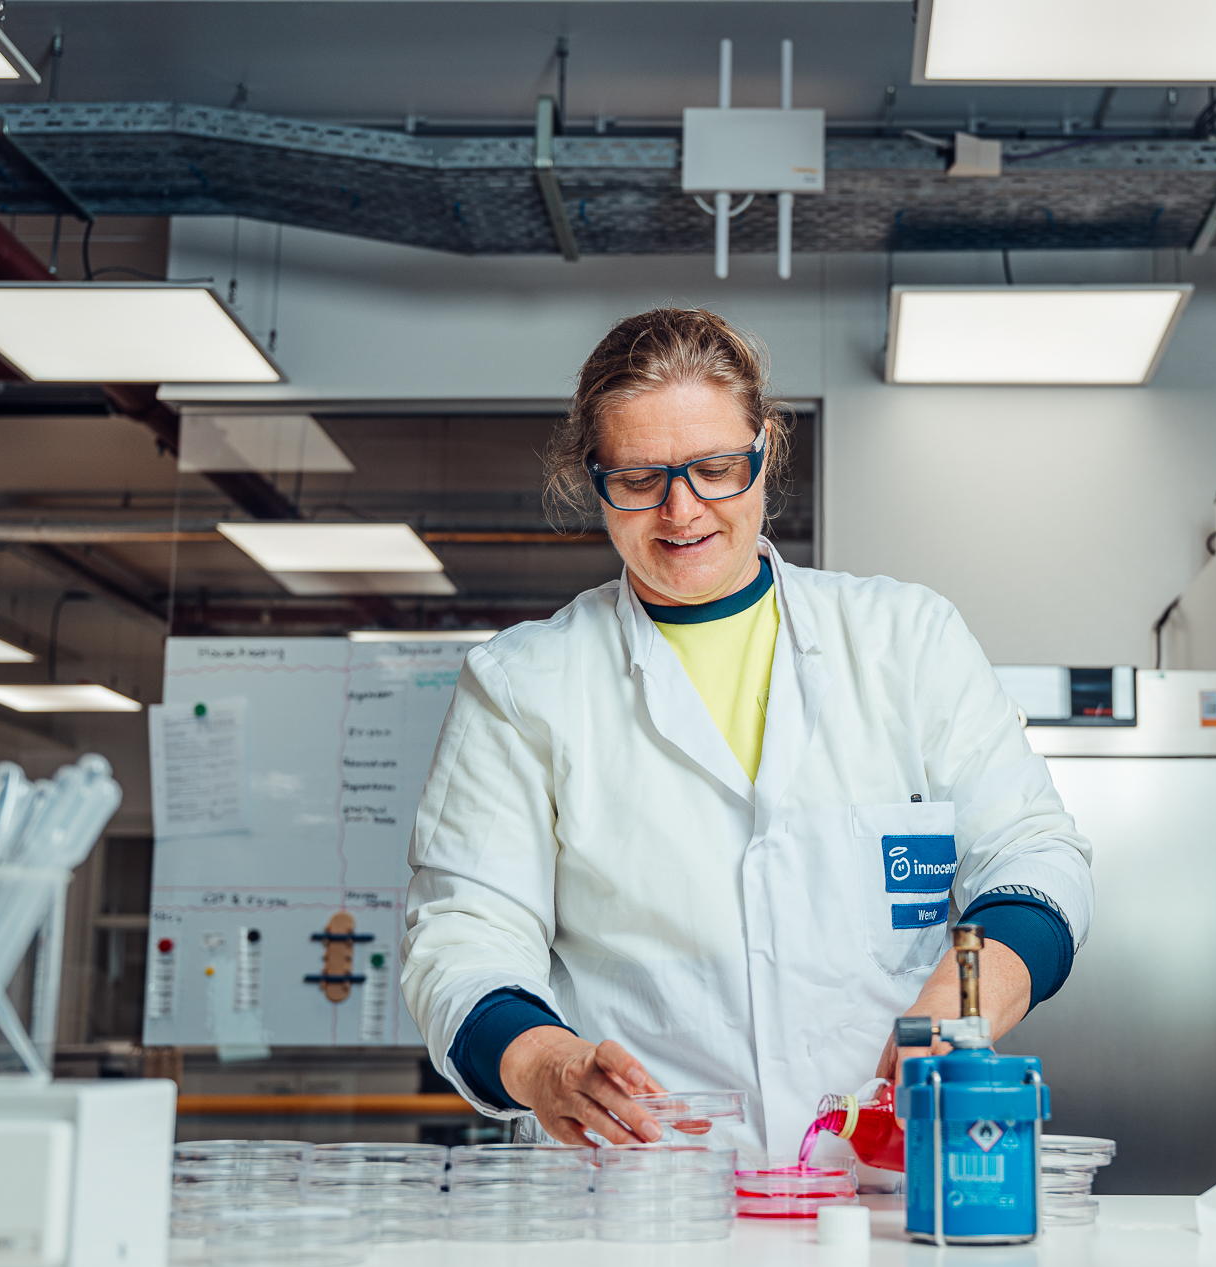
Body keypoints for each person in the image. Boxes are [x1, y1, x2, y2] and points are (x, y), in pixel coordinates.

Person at [402, 307, 1091, 1160]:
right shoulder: (523, 685)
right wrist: (544, 1061)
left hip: (882, 1185)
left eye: (716, 467)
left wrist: (963, 991)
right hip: (646, 1204)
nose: (681, 509)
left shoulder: (904, 639)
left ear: (765, 449)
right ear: (596, 478)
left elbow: (1035, 855)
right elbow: (463, 939)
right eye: (639, 477)